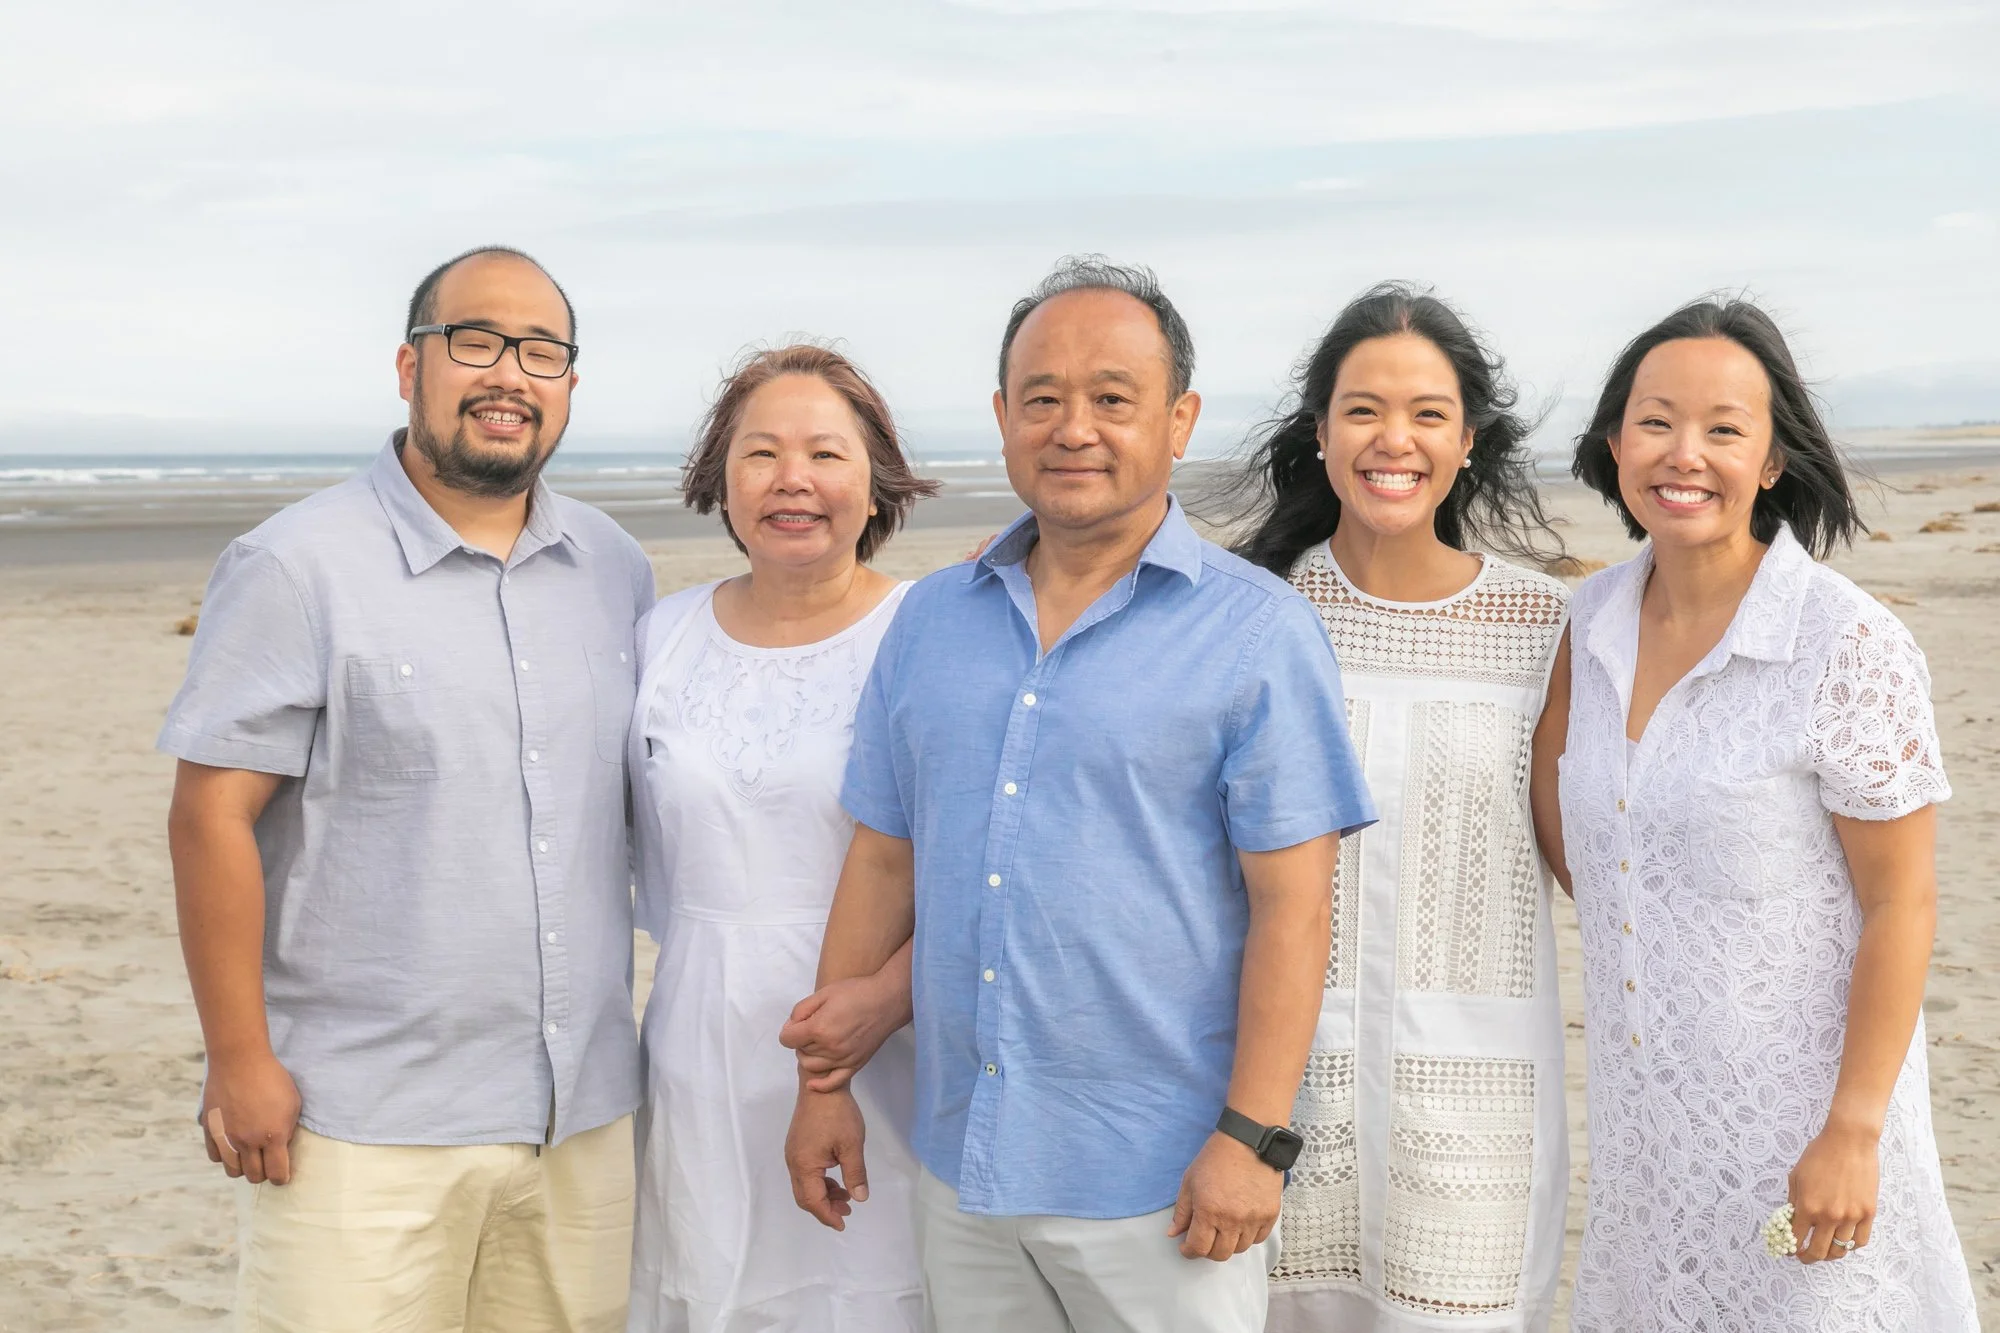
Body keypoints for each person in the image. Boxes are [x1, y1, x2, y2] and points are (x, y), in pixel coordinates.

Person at [782, 255, 1377, 1333]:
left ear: (1178, 418)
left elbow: (1295, 909)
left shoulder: (1256, 634)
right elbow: (883, 856)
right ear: (1003, 415)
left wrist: (1252, 1139)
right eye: (1043, 398)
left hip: (1161, 1179)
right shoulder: (930, 622)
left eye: (1112, 398)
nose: (1073, 427)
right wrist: (821, 1090)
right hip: (966, 1161)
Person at [160, 246, 653, 1332]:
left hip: (582, 1125)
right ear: (408, 366)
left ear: (569, 383)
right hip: (360, 1125)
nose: (506, 375)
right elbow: (210, 817)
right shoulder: (295, 565)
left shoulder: (616, 567)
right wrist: (238, 1060)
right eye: (472, 341)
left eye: (540, 351)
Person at [1528, 299, 1980, 1330]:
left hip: (1807, 1128)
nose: (1683, 453)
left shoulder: (1843, 643)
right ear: (1611, 442)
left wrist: (1853, 1129)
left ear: (1771, 461)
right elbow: (1590, 852)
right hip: (1648, 1133)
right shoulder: (1583, 627)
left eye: (1723, 429)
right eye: (1654, 420)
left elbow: (1902, 903)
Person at [1220, 283, 1572, 1330]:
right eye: (1363, 408)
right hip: (1277, 1089)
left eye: (1426, 413)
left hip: (1476, 1106)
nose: (1394, 439)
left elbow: (1591, 851)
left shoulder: (1542, 625)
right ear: (1319, 431)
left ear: (1467, 440)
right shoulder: (1248, 614)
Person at [626, 344, 938, 1331]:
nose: (792, 479)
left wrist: (874, 1008)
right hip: (698, 1045)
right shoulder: (659, 637)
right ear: (719, 478)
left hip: (881, 1044)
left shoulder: (927, 630)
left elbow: (981, 866)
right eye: (760, 453)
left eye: (825, 454)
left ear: (874, 479)